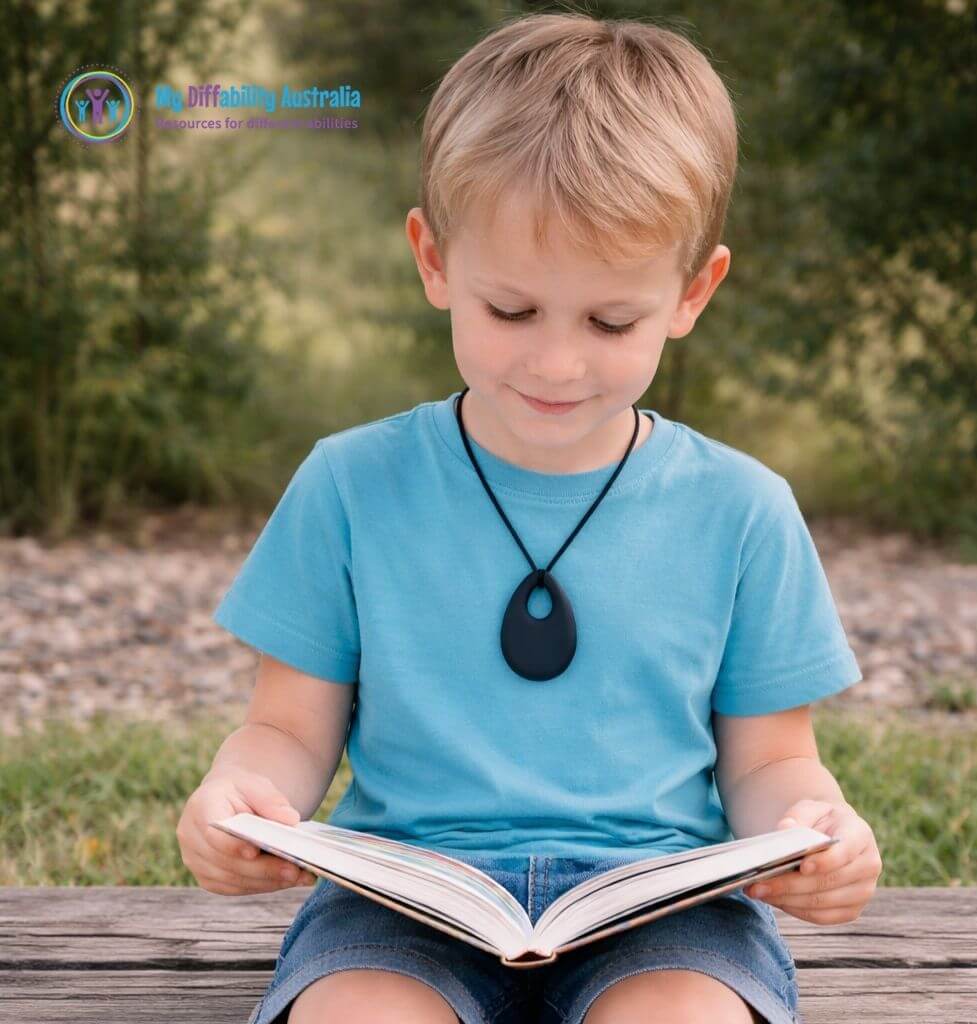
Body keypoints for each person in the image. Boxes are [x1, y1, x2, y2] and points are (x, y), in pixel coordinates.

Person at [176, 11, 883, 1024]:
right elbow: (285, 728)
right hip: (404, 904)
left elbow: (770, 758)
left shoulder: (742, 510)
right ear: (433, 259)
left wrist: (814, 832)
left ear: (692, 292)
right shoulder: (348, 485)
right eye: (510, 311)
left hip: (663, 912)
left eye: (610, 320)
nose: (556, 363)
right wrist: (239, 797)